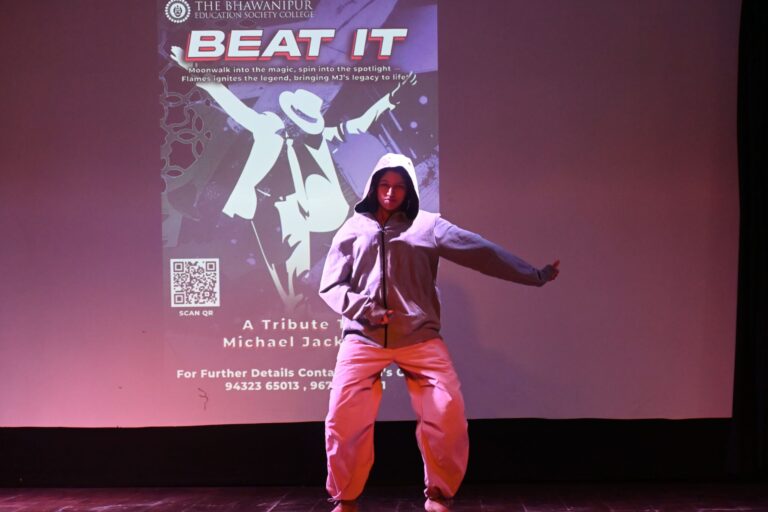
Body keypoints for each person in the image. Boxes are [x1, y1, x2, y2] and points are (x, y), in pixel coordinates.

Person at [319, 153, 560, 512]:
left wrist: (534, 274)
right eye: (384, 185)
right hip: (363, 338)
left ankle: (439, 495)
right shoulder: (352, 229)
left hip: (419, 336)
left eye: (398, 187)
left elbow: (481, 251)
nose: (390, 193)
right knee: (343, 418)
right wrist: (366, 310)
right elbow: (331, 286)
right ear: (373, 187)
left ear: (409, 190)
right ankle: (346, 498)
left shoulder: (428, 226)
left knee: (447, 412)